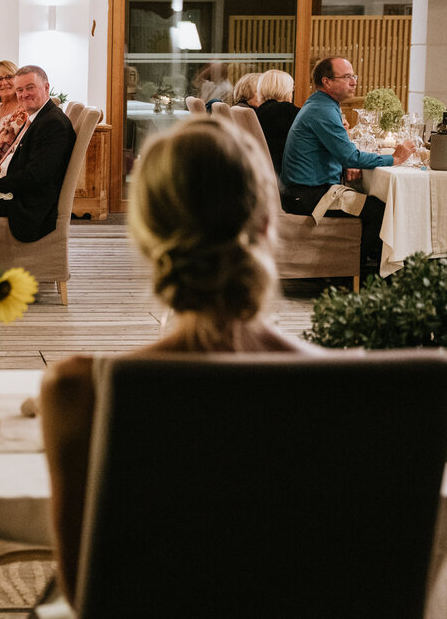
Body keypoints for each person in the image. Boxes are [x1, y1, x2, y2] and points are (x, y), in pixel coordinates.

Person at [39, 117, 322, 604]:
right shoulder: (350, 390)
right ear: (266, 224)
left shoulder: (81, 390)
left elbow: (85, 592)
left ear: (146, 235)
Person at [280, 56, 413, 266]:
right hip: (307, 195)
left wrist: (347, 162)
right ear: (327, 81)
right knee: (381, 211)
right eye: (347, 77)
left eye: (354, 76)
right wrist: (394, 159)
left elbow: (344, 154)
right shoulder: (322, 110)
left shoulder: (321, 104)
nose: (354, 82)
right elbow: (350, 155)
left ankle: (363, 267)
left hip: (305, 189)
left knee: (377, 204)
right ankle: (349, 271)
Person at [0, 65, 76, 243]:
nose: (24, 94)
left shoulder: (52, 124)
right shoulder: (40, 117)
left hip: (29, 207)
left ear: (46, 87)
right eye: (19, 90)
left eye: (30, 87)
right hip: (20, 194)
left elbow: (36, 175)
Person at [253, 68, 299, 177]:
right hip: (285, 173)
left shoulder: (259, 111)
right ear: (285, 90)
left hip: (263, 169)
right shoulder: (288, 112)